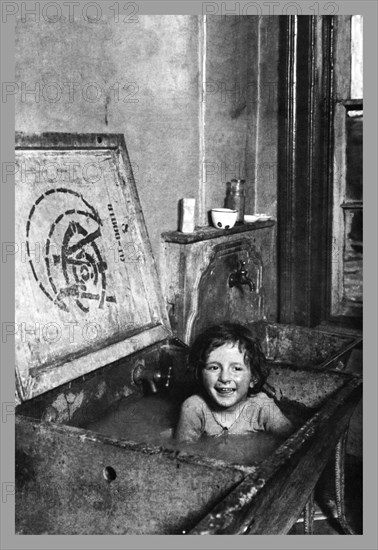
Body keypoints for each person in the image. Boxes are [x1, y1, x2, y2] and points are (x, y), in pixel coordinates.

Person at [174, 323, 294, 442]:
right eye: (214, 368)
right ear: (200, 373)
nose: (225, 378)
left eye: (236, 369)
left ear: (253, 378)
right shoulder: (194, 408)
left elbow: (293, 442)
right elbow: (183, 451)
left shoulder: (262, 407)